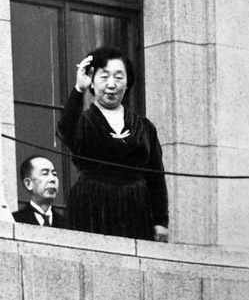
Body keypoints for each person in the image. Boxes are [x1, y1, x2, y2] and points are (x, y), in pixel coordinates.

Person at [57, 47, 169, 242]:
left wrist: (160, 221)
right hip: (91, 204)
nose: (111, 84)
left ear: (128, 82)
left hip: (135, 208)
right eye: (104, 77)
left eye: (118, 77)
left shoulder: (145, 126)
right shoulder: (83, 121)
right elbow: (65, 131)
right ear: (92, 80)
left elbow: (156, 176)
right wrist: (78, 90)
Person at [12, 155, 66, 228]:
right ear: (28, 183)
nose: (52, 179)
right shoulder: (15, 221)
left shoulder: (66, 224)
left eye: (54, 174)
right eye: (45, 173)